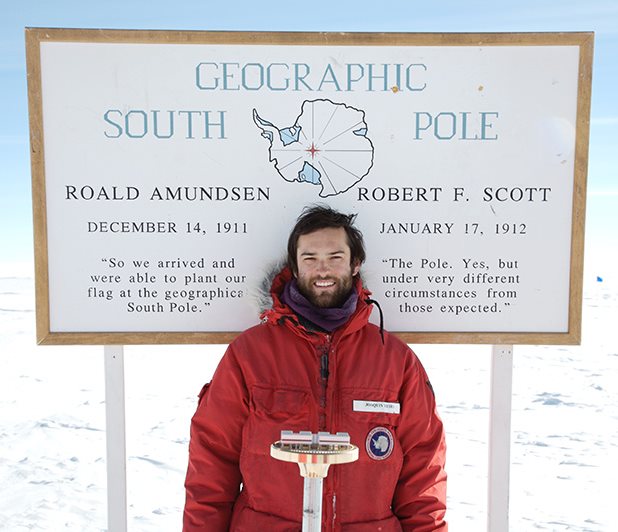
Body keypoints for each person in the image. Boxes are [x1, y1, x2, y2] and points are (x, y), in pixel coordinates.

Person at [183, 205, 447, 531]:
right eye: (310, 258)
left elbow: (423, 473)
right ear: (294, 267)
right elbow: (211, 462)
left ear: (354, 264)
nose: (323, 270)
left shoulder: (395, 360)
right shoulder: (248, 355)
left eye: (335, 257)